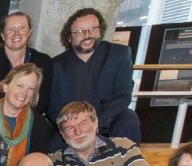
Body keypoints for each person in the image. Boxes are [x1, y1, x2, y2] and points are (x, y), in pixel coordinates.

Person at [50, 7, 141, 143]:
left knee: (129, 119)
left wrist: (97, 123)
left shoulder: (119, 54)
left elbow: (123, 95)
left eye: (92, 29)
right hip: (72, 126)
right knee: (53, 142)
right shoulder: (56, 64)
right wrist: (77, 126)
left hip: (108, 122)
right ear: (69, 37)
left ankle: (126, 157)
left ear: (100, 30)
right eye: (80, 32)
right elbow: (53, 106)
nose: (87, 35)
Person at [0, 11, 53, 121]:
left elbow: (42, 102)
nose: (16, 33)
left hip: (31, 120)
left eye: (22, 28)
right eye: (11, 29)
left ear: (29, 32)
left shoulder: (43, 62)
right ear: (3, 36)